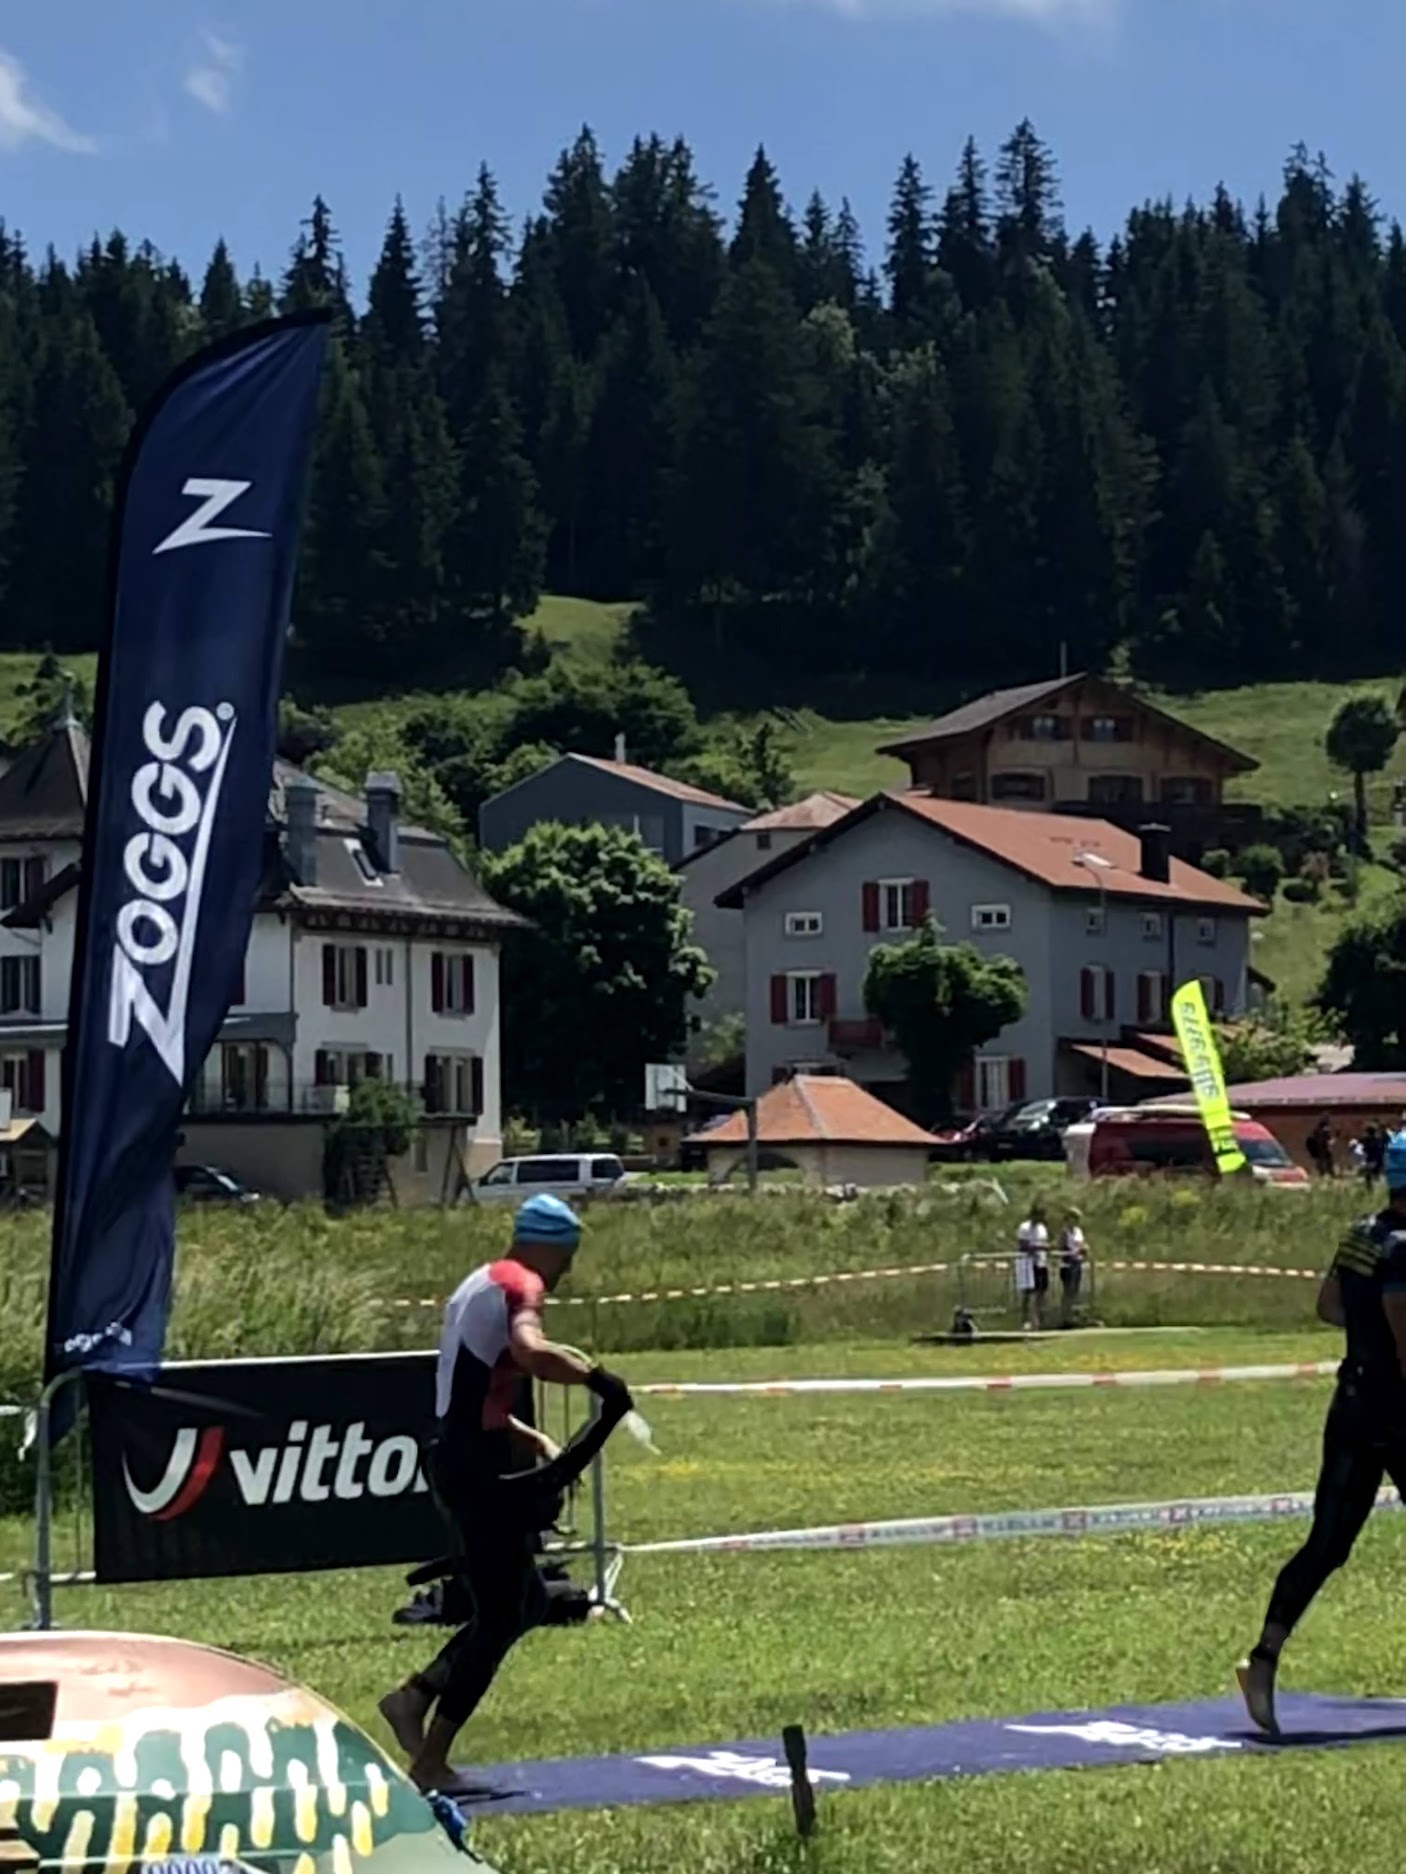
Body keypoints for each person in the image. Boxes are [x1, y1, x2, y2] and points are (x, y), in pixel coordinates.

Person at [378, 1192, 634, 1794]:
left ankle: (414, 1699)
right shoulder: (521, 1284)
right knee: (500, 1615)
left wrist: (526, 1433)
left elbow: (467, 1392)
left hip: (459, 1456)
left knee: (527, 1603)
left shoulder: (477, 1282)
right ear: (546, 1244)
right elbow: (528, 1350)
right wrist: (598, 1379)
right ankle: (431, 1759)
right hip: (474, 1471)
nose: (565, 1271)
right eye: (566, 1256)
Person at [1236, 1130, 1406, 1736]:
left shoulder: (1362, 1234)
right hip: (1397, 1413)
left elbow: (1329, 1306)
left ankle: (1262, 1659)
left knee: (1327, 1546)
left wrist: (1366, 1340)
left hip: (1353, 1406)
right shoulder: (1405, 1249)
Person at [1015, 1203, 1050, 1331]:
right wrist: (1038, 1248)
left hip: (1041, 1262)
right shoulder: (1024, 1227)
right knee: (1027, 1293)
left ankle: (1038, 1319)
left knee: (1041, 1292)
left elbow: (1044, 1243)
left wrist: (1045, 1248)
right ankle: (1024, 1320)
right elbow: (1022, 1246)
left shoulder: (1042, 1228)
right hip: (1027, 1263)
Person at [1058, 1208, 1089, 1328]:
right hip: (1068, 1264)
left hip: (1078, 1263)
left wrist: (1084, 1249)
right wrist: (1071, 1254)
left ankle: (1072, 1316)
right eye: (1074, 1218)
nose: (1076, 1221)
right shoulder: (1064, 1232)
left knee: (1075, 1290)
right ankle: (1065, 1317)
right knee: (1068, 1290)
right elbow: (1062, 1247)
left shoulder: (1078, 1231)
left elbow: (1081, 1244)